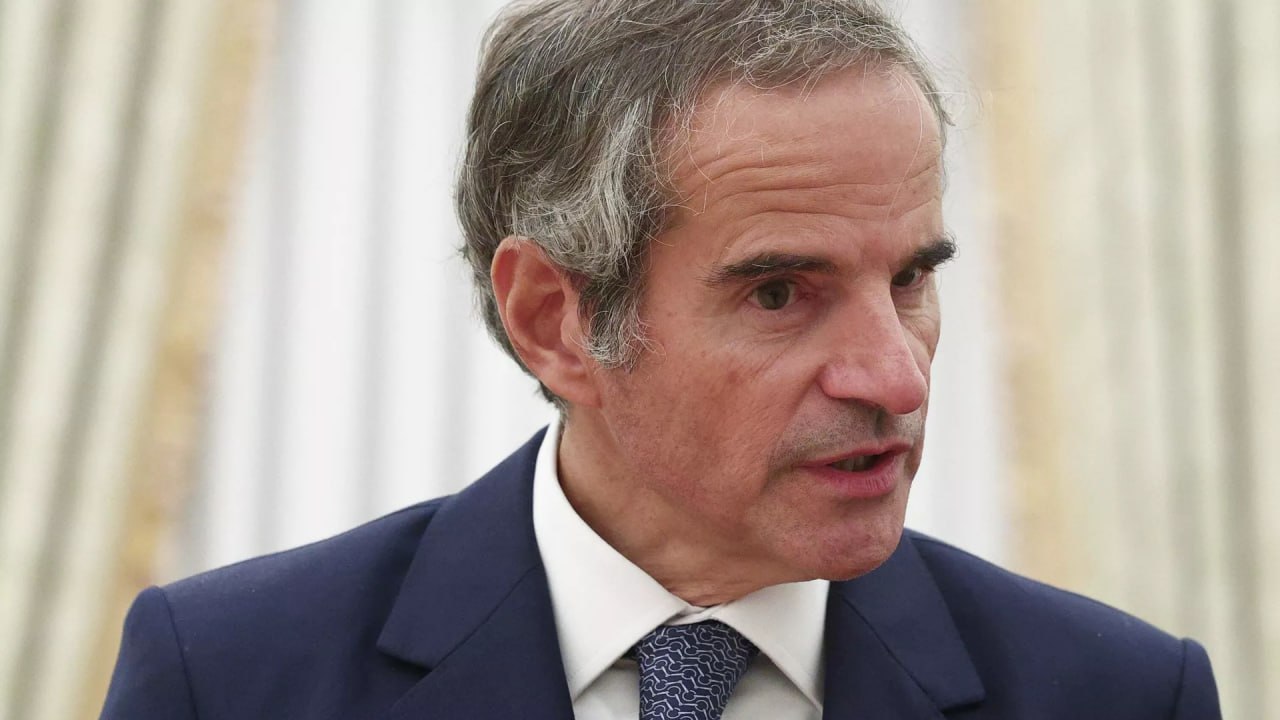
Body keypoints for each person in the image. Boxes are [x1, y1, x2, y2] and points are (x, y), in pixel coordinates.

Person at [101, 1, 1222, 718]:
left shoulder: (1119, 695)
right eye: (780, 293)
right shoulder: (230, 677)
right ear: (555, 319)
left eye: (908, 281)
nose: (896, 379)